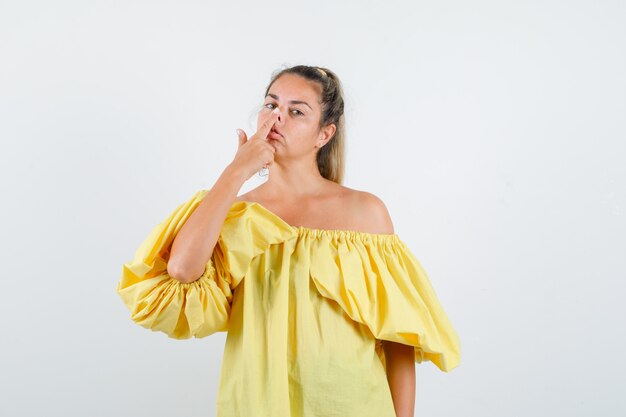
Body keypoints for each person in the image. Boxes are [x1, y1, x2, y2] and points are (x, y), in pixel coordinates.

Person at [116, 65, 461, 417]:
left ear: (323, 135)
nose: (276, 118)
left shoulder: (365, 213)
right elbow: (181, 270)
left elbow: (398, 339)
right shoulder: (235, 213)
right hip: (256, 404)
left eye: (296, 111)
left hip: (352, 404)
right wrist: (236, 171)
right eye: (271, 105)